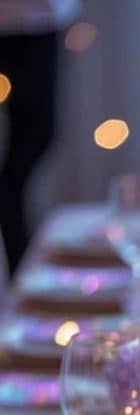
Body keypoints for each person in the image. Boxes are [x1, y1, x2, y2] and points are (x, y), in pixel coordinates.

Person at [0, 1, 80, 273]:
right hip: (23, 20)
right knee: (34, 137)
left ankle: (20, 271)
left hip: (38, 20)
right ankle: (19, 272)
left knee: (37, 137)